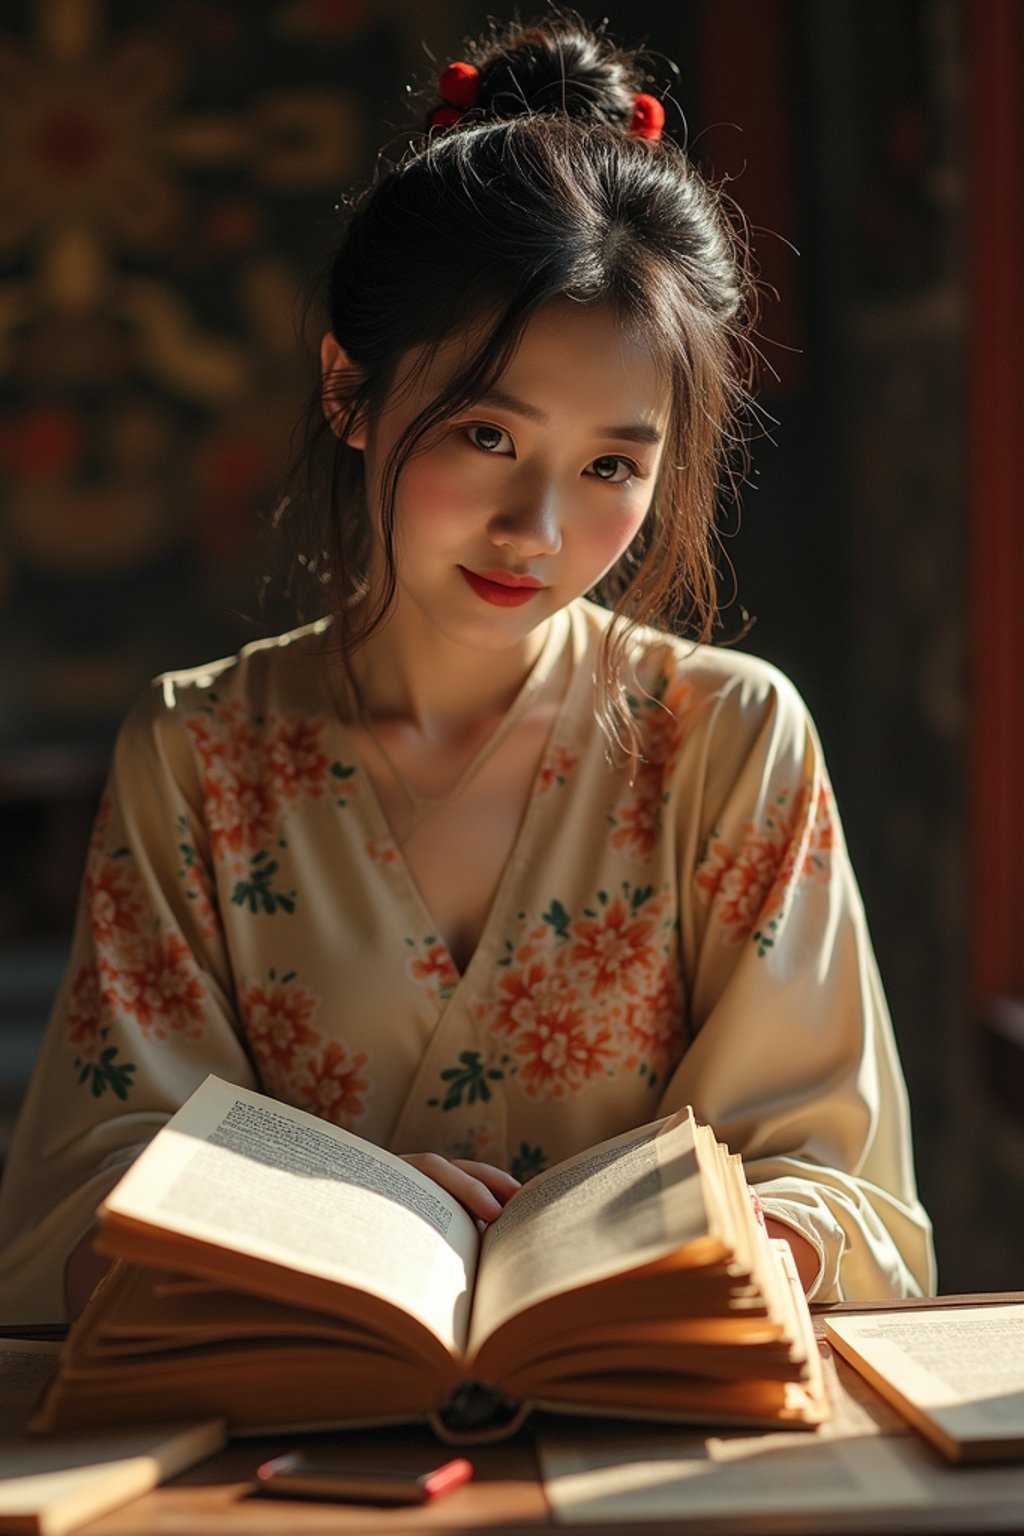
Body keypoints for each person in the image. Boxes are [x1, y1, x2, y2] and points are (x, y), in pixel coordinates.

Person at [0, 13, 935, 1324]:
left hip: (646, 1437)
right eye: (487, 434)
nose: (537, 533)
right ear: (350, 392)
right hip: (292, 1454)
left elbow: (840, 1193)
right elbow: (83, 1190)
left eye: (614, 463)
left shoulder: (726, 737)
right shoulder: (200, 753)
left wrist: (702, 1250)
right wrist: (326, 1225)